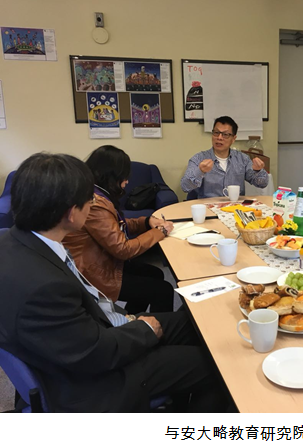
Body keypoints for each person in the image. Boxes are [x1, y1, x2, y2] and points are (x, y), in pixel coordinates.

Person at [0, 153, 227, 412]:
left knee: (195, 322)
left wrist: (133, 323)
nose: (93, 204)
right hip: (99, 379)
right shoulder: (44, 288)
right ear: (72, 213)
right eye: (89, 199)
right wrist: (144, 329)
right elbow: (96, 354)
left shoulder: (14, 241)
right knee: (215, 364)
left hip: (99, 329)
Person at [63, 145, 175, 314]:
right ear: (111, 175)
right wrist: (160, 232)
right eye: (124, 176)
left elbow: (114, 225)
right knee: (163, 290)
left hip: (103, 260)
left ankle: (133, 320)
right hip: (94, 273)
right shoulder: (95, 203)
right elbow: (123, 249)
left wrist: (146, 222)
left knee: (155, 274)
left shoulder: (94, 192)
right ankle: (157, 329)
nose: (127, 181)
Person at [181, 115, 269, 198]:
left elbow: (262, 184)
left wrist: (258, 171)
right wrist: (200, 171)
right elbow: (185, 187)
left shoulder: (243, 159)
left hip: (235, 206)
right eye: (216, 133)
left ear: (233, 139)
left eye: (225, 134)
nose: (219, 137)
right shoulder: (198, 159)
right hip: (208, 207)